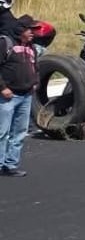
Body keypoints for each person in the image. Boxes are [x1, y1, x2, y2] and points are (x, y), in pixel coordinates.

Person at [0, 17, 38, 177]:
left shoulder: (32, 48)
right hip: (8, 96)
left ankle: (11, 165)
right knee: (2, 132)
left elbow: (36, 67)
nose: (33, 33)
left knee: (20, 132)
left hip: (26, 96)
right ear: (21, 30)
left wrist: (35, 82)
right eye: (30, 30)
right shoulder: (5, 44)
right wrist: (2, 88)